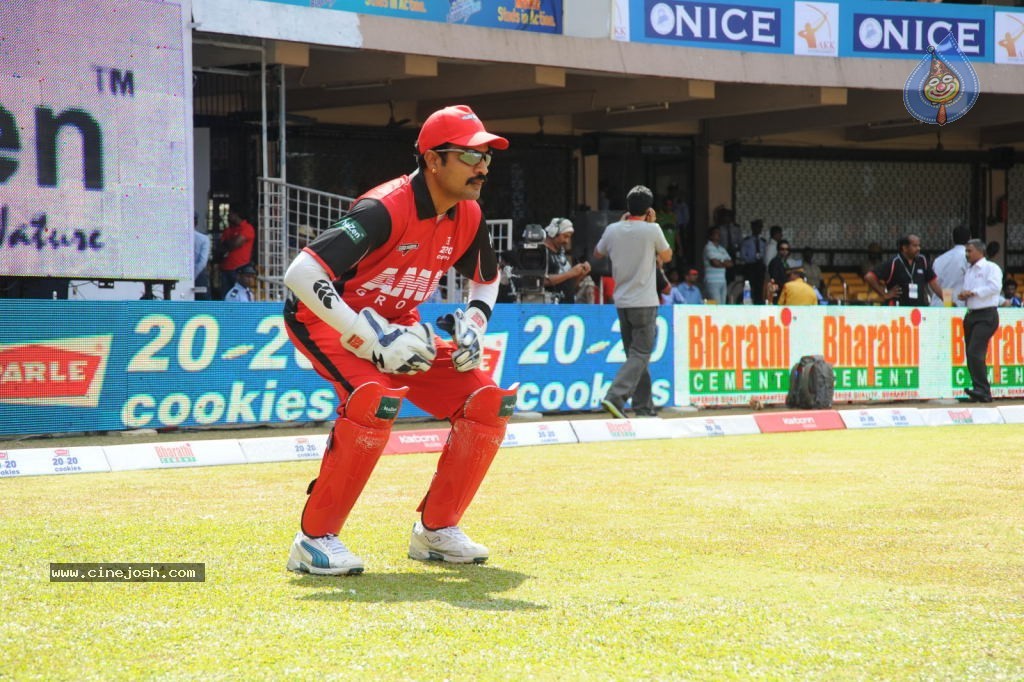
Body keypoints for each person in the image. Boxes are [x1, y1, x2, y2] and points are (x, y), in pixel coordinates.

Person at [281, 104, 516, 575]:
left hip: (399, 325)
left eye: (487, 156)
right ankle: (314, 540)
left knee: (488, 402)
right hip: (327, 319)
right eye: (471, 155)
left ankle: (436, 532)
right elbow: (301, 273)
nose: (483, 167)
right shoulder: (384, 208)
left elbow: (486, 279)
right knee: (375, 400)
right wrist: (365, 335)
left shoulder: (469, 214)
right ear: (433, 160)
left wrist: (475, 323)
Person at [594, 185, 672, 419]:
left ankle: (644, 407)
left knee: (636, 356)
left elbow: (598, 253)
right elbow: (667, 256)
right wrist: (650, 225)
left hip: (622, 302)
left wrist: (621, 226)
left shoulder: (612, 230)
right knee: (641, 354)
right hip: (645, 302)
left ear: (627, 207)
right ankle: (615, 397)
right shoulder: (653, 230)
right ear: (649, 209)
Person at [958, 239, 1003, 403]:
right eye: (966, 251)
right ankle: (978, 389)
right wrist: (964, 295)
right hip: (971, 314)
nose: (967, 254)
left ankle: (983, 390)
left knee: (974, 351)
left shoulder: (991, 268)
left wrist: (973, 292)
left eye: (969, 251)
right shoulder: (969, 271)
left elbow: (995, 287)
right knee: (971, 352)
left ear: (980, 251)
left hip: (986, 314)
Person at [864, 234, 942, 307]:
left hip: (918, 309)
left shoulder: (923, 261)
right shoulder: (894, 262)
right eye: (915, 246)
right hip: (898, 308)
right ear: (905, 248)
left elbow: (935, 285)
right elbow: (869, 277)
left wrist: (947, 301)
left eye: (919, 245)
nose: (918, 248)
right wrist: (885, 294)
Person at [542, 217, 591, 303]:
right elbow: (540, 281)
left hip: (566, 305)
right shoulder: (542, 252)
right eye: (565, 236)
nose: (567, 241)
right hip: (550, 306)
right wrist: (570, 273)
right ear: (553, 233)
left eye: (569, 237)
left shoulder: (561, 254)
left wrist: (579, 275)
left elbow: (569, 286)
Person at [219, 211, 256, 298]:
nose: (228, 216)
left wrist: (227, 243)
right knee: (225, 296)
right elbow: (220, 246)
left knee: (240, 295)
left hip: (240, 269)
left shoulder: (247, 228)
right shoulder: (229, 230)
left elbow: (236, 243)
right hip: (225, 267)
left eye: (230, 214)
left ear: (236, 214)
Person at [933, 225, 971, 306]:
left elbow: (932, 283)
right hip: (957, 305)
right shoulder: (968, 258)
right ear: (970, 239)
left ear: (953, 239)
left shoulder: (939, 259)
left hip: (938, 304)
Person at [739, 219, 767, 304]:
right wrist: (752, 259)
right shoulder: (747, 241)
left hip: (760, 266)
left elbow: (765, 254)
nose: (758, 229)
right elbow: (743, 255)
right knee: (748, 286)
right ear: (752, 228)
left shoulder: (763, 241)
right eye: (756, 227)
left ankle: (758, 303)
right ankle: (748, 303)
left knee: (759, 287)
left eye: (760, 227)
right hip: (750, 266)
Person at [702, 226, 731, 304]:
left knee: (722, 305)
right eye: (716, 233)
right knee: (716, 305)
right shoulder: (708, 247)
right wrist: (723, 262)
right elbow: (714, 263)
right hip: (712, 281)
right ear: (711, 235)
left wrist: (720, 262)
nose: (719, 235)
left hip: (723, 280)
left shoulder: (722, 249)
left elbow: (730, 263)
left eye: (719, 233)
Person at [765, 239, 792, 304]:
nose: (785, 251)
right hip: (777, 291)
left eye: (787, 249)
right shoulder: (775, 262)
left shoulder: (785, 262)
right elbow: (774, 278)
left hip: (785, 291)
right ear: (778, 250)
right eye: (782, 249)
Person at [193, 217, 211, 300]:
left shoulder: (177, 238)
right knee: (202, 305)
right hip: (198, 275)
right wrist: (193, 276)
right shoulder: (203, 239)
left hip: (181, 276)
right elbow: (202, 262)